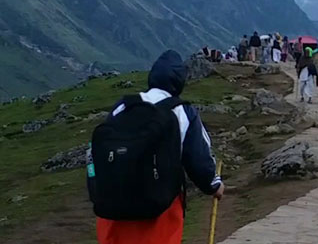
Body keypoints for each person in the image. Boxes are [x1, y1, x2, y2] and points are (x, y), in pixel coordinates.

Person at [92, 50, 224, 244]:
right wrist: (214, 185)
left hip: (114, 207)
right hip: (159, 209)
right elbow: (199, 159)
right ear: (180, 81)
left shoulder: (123, 106)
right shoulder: (182, 111)